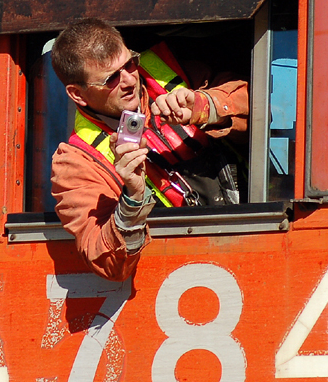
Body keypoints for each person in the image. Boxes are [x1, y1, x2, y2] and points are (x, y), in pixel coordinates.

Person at [50, 18, 248, 281]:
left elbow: (257, 105)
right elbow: (109, 264)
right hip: (179, 271)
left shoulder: (174, 70)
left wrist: (204, 107)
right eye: (111, 79)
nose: (129, 80)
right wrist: (132, 195)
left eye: (130, 64)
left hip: (247, 238)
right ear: (77, 94)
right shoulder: (75, 163)